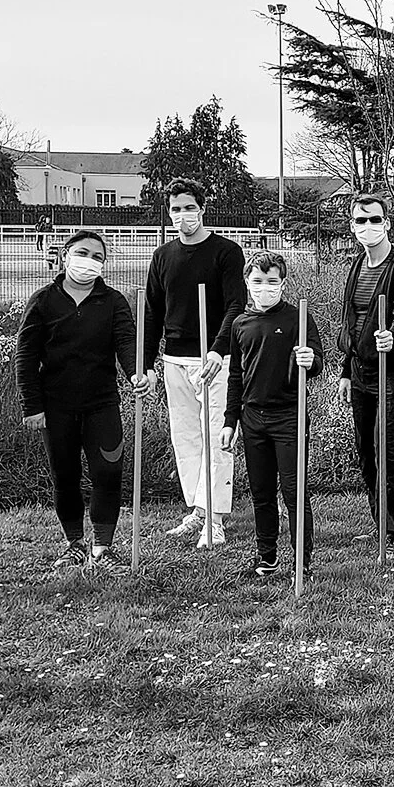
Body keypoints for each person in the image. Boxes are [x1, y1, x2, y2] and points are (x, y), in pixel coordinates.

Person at [16, 231, 143, 572]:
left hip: (101, 404)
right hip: (55, 407)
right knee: (65, 475)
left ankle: (102, 546)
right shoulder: (42, 301)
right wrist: (32, 406)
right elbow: (25, 355)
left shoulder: (113, 302)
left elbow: (126, 342)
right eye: (83, 253)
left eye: (98, 256)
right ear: (65, 256)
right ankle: (74, 543)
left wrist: (136, 373)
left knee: (108, 472)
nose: (90, 261)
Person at [141, 178, 246, 548]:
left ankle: (215, 520)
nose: (182, 216)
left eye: (189, 208)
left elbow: (236, 304)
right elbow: (153, 311)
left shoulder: (225, 252)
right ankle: (198, 510)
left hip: (216, 360)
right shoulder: (163, 257)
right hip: (175, 359)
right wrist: (147, 362)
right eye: (175, 209)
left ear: (202, 208)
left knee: (218, 437)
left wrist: (218, 349)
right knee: (186, 438)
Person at [222, 250, 323, 577]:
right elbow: (235, 376)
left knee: (294, 491)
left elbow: (318, 362)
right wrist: (229, 421)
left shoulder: (298, 318)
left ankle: (302, 561)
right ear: (248, 283)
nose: (265, 287)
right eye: (258, 281)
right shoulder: (240, 324)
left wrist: (310, 360)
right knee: (261, 492)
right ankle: (267, 555)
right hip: (253, 419)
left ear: (282, 283)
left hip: (289, 417)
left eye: (272, 281)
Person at [337, 193, 394, 557]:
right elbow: (353, 320)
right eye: (361, 221)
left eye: (375, 220)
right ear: (352, 226)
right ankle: (383, 524)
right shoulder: (358, 265)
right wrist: (345, 369)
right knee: (366, 450)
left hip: (393, 370)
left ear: (387, 223)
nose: (368, 227)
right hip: (360, 371)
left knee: (385, 448)